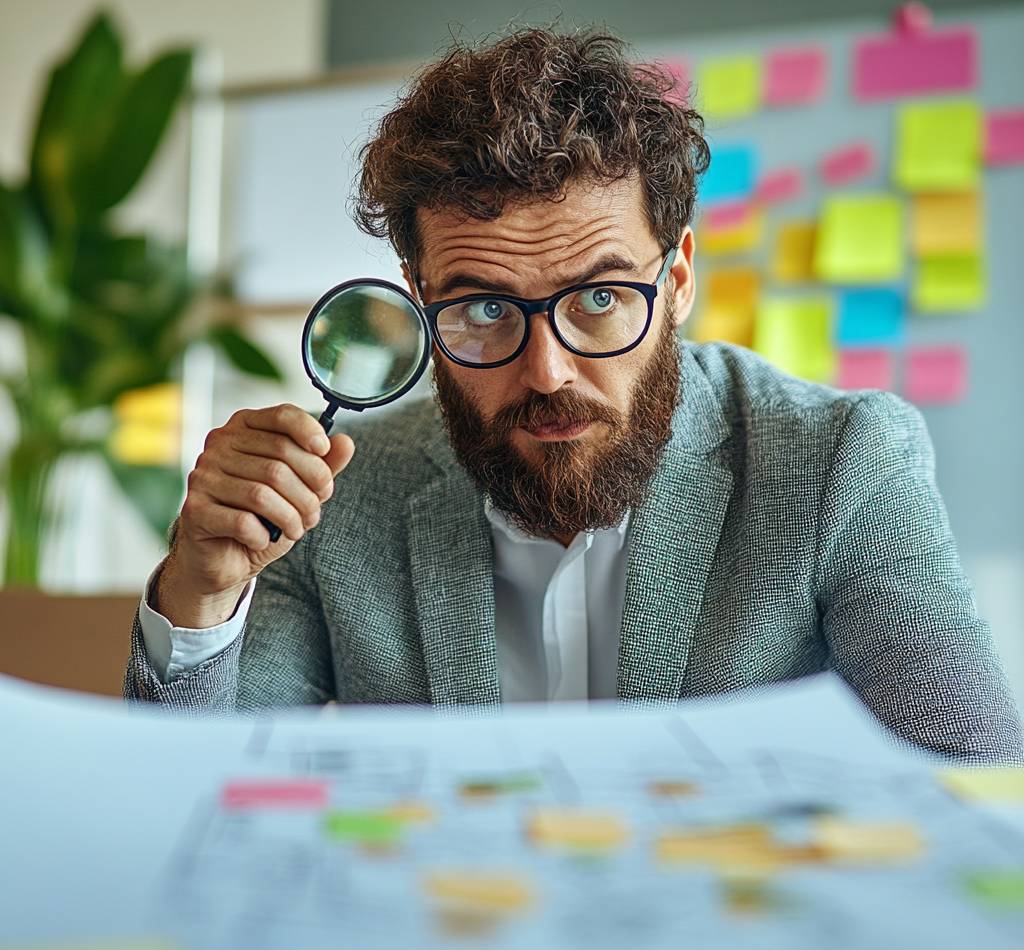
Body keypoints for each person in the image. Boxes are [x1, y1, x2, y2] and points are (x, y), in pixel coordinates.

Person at [125, 26, 1022, 763]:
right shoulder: (336, 494)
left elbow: (978, 789)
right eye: (483, 309)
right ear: (420, 296)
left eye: (599, 299)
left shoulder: (843, 460)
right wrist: (200, 594)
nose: (547, 371)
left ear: (677, 279)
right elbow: (196, 801)